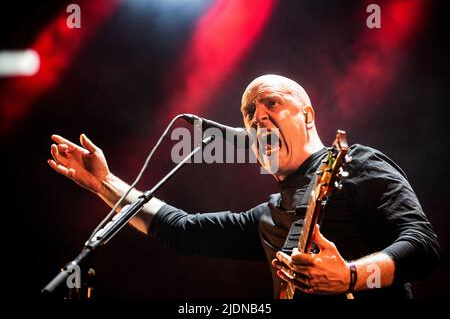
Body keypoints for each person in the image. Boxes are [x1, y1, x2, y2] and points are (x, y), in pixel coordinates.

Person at [48, 74, 440, 299]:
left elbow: (423, 245)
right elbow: (182, 230)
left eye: (271, 103)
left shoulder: (356, 164)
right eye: (249, 113)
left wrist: (351, 275)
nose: (258, 117)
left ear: (308, 116)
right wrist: (103, 182)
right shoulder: (268, 217)